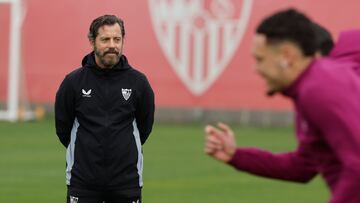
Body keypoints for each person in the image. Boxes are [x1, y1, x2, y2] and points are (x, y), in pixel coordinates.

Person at [204, 8, 360, 203]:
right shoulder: (312, 87)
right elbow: (303, 167)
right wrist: (236, 155)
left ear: (287, 55)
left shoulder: (319, 88)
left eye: (260, 59)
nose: (256, 69)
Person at [55, 14, 155, 203]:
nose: (112, 45)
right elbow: (63, 129)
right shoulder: (73, 82)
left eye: (117, 39)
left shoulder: (138, 83)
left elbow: (144, 127)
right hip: (83, 182)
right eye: (105, 39)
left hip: (126, 183)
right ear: (92, 41)